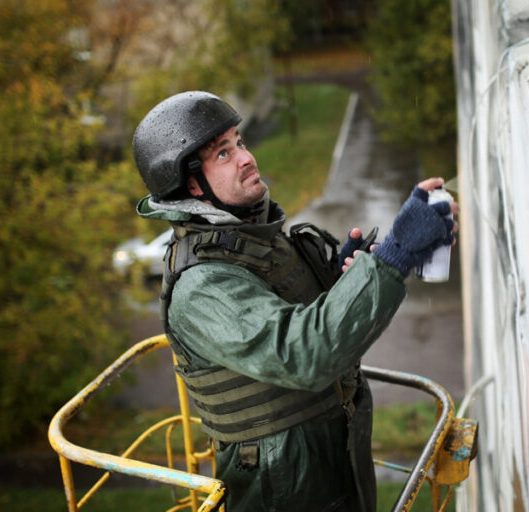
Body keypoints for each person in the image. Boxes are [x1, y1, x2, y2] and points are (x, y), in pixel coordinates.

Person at [132, 91, 458, 512]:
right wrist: (393, 257)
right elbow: (302, 353)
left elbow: (296, 321)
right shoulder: (202, 286)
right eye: (224, 154)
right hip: (283, 490)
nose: (247, 158)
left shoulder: (251, 241)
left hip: (325, 466)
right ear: (191, 184)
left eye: (240, 142)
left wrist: (344, 282)